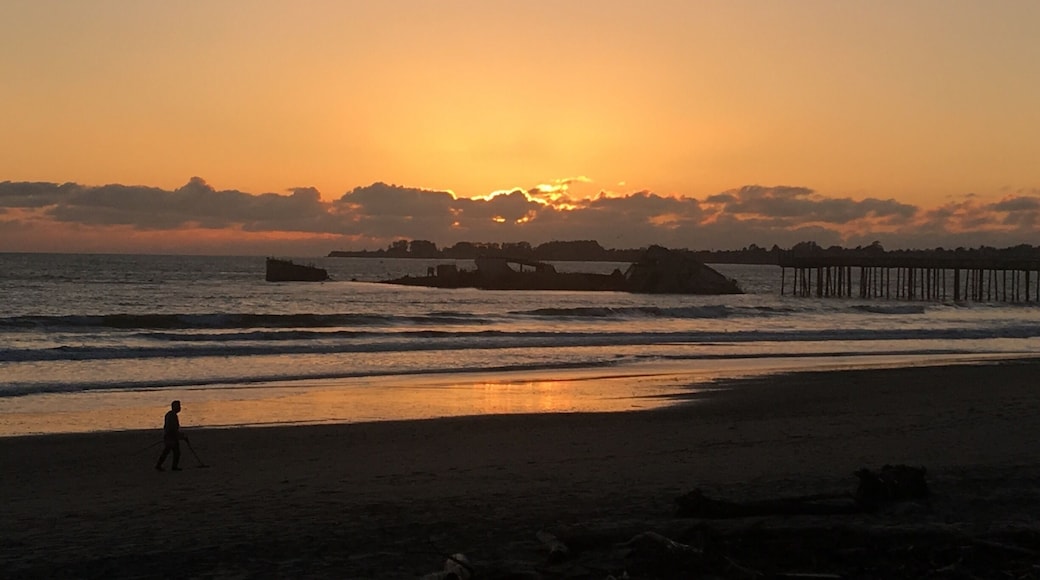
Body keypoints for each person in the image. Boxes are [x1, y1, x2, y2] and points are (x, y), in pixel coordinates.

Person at [155, 400, 188, 471]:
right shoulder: (172, 415)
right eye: (178, 406)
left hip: (170, 436)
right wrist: (180, 436)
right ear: (174, 407)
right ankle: (172, 467)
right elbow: (172, 428)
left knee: (169, 451)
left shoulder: (171, 414)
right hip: (171, 437)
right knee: (174, 452)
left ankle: (161, 465)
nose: (180, 408)